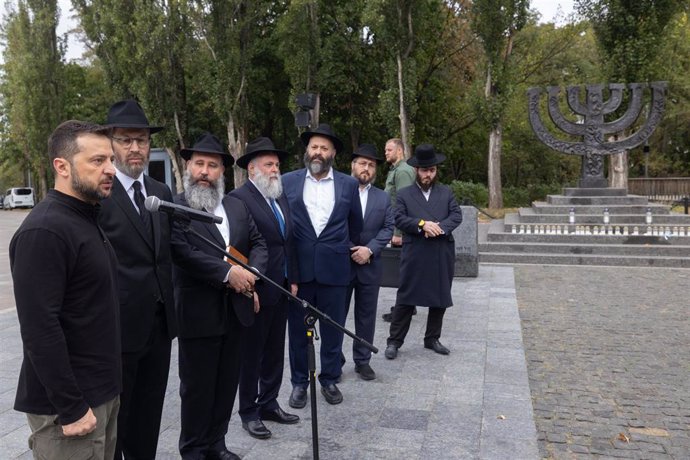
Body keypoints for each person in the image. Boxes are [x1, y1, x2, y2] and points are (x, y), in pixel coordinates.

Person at [10, 120, 121, 459]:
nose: (110, 169)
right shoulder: (45, 231)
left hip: (101, 395)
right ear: (61, 166)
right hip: (69, 412)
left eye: (111, 160)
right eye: (97, 160)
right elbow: (40, 330)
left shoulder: (85, 218)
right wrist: (71, 407)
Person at [170, 133, 267, 460]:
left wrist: (252, 276)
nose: (205, 171)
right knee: (197, 390)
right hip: (199, 315)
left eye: (212, 165)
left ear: (222, 172)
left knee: (226, 385)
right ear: (188, 166)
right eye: (199, 163)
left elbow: (259, 244)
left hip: (236, 312)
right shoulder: (178, 206)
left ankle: (216, 444)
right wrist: (228, 274)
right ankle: (194, 450)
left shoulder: (237, 206)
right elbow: (181, 252)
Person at [98, 99, 177, 459]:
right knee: (117, 423)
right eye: (126, 139)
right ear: (111, 143)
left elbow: (177, 249)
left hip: (159, 328)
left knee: (148, 419)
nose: (135, 148)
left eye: (142, 140)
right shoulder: (100, 195)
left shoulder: (161, 192)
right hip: (118, 329)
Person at [282, 123, 363, 407]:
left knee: (333, 330)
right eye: (313, 147)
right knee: (297, 332)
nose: (318, 152)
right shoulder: (288, 181)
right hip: (299, 274)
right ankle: (299, 383)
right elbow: (284, 227)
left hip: (335, 272)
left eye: (324, 148)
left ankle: (329, 379)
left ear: (333, 154)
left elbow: (356, 226)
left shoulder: (349, 185)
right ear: (307, 150)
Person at [231, 137, 300, 440]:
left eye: (277, 165)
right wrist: (249, 286)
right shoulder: (239, 199)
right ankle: (249, 411)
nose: (275, 170)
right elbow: (234, 248)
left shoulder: (280, 196)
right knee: (251, 353)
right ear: (252, 169)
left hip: (281, 287)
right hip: (256, 290)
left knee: (274, 350)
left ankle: (269, 402)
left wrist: (293, 277)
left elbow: (288, 242)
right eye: (269, 165)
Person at [384, 144, 462, 360]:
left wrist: (439, 227)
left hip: (440, 251)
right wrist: (421, 224)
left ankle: (432, 338)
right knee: (406, 298)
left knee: (440, 297)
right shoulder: (405, 194)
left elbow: (456, 215)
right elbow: (399, 217)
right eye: (425, 170)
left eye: (432, 170)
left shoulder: (445, 192)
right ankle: (394, 342)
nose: (428, 174)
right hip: (415, 252)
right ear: (417, 170)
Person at [345, 144, 394, 380]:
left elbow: (387, 228)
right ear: (353, 166)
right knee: (335, 314)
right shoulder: (340, 191)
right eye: (362, 163)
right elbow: (331, 224)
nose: (366, 168)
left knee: (366, 315)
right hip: (342, 264)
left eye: (371, 165)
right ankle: (334, 359)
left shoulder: (383, 197)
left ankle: (362, 360)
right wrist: (351, 249)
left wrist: (370, 250)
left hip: (370, 265)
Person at [382, 138, 416, 322]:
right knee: (403, 270)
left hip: (401, 229)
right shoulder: (397, 169)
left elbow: (405, 203)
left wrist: (398, 232)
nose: (386, 153)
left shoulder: (403, 171)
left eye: (389, 150)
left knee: (402, 271)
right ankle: (408, 305)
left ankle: (403, 308)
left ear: (400, 151)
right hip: (398, 225)